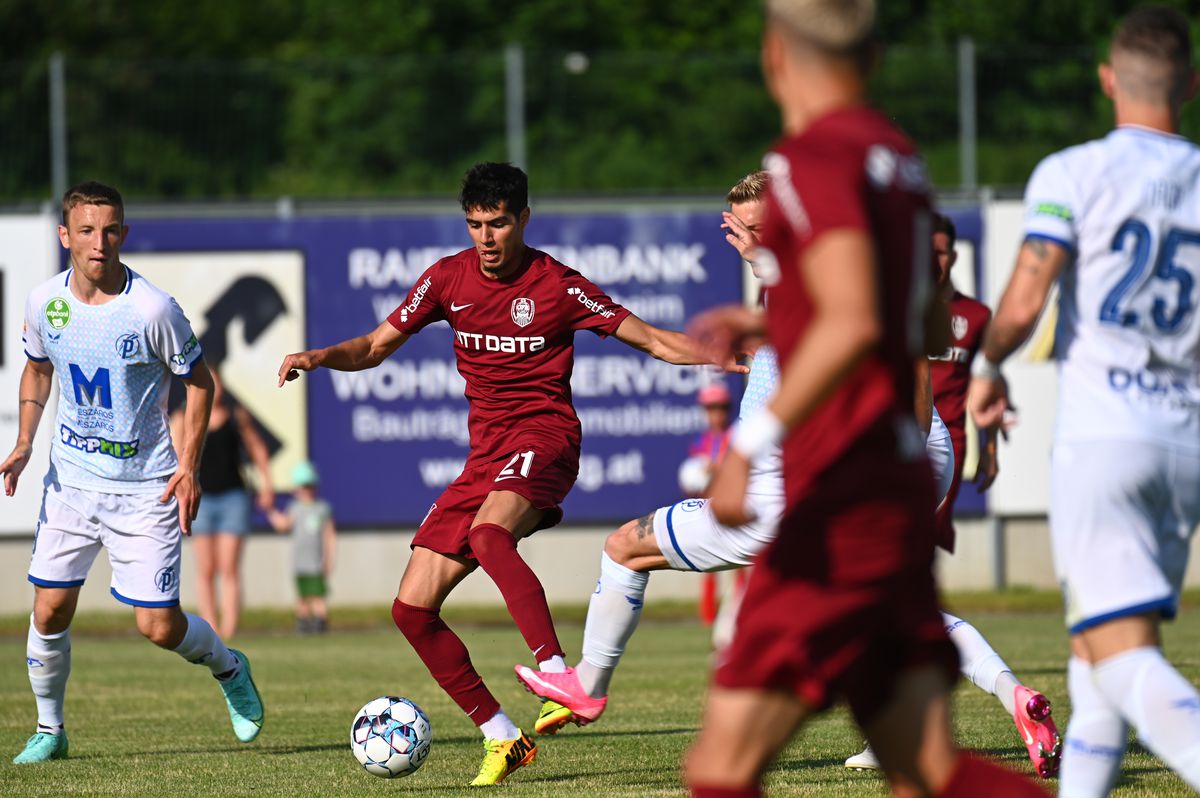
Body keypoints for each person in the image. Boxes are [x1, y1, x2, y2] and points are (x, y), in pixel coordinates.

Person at [680, 3, 1048, 795]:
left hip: (839, 498)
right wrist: (783, 308)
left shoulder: (804, 160)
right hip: (892, 485)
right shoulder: (899, 159)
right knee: (925, 768)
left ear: (775, 56)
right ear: (876, 56)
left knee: (720, 768)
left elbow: (850, 319)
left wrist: (744, 449)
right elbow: (913, 316)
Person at [276, 162, 741, 787]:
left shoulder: (557, 285)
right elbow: (373, 346)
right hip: (485, 458)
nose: (486, 239)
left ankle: (556, 670)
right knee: (411, 610)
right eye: (475, 225)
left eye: (498, 224)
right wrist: (318, 356)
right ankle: (502, 735)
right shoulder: (446, 279)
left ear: (524, 218)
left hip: (545, 440)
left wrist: (731, 356)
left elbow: (654, 340)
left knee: (490, 536)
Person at [968, 7, 1200, 795]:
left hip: (1105, 438)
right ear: (1192, 86)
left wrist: (986, 364)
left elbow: (1028, 295)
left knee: (1122, 656)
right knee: (1094, 661)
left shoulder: (1072, 172)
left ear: (1108, 80)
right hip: (1184, 442)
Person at [4, 182, 264, 765]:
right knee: (49, 609)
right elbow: (37, 369)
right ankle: (50, 730)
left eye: (112, 229)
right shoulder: (45, 301)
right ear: (64, 235)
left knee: (157, 627)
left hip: (145, 487)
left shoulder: (152, 309)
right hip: (70, 483)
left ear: (124, 233)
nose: (100, 242)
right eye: (88, 230)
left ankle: (229, 665)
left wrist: (189, 466)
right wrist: (24, 441)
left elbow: (200, 384)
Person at [845, 212, 1060, 779]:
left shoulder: (904, 298)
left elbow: (939, 376)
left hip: (917, 452)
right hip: (919, 449)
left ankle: (930, 723)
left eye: (944, 251)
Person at [171, 368, 275, 640]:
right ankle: (211, 629)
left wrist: (267, 485)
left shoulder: (236, 416)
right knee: (205, 570)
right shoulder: (183, 418)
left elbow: (258, 450)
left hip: (233, 498)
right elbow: (174, 456)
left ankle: (229, 629)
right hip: (199, 500)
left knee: (228, 568)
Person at [927, 213, 998, 544]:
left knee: (927, 535)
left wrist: (990, 448)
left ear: (954, 256)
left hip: (949, 442)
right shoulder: (895, 308)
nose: (934, 260)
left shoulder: (976, 316)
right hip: (901, 438)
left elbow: (988, 383)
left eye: (940, 252)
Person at [267, 460, 336, 633]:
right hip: (300, 561)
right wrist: (271, 513)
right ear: (296, 489)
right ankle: (303, 620)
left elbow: (329, 535)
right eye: (303, 487)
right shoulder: (294, 508)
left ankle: (321, 620)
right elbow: (284, 525)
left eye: (310, 486)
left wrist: (329, 558)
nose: (307, 491)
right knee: (303, 594)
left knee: (318, 594)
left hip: (315, 561)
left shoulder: (322, 509)